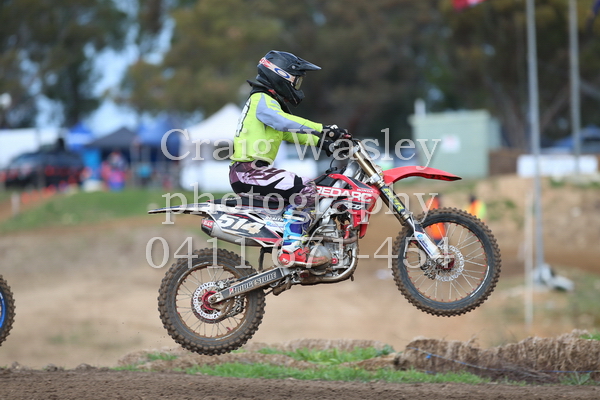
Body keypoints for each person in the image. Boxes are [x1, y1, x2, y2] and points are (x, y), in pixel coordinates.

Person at [229, 50, 347, 268]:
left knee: (308, 192)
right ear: (280, 75)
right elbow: (283, 121)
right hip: (249, 172)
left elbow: (292, 133)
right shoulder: (260, 99)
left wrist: (325, 142)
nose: (296, 86)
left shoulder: (268, 104)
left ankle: (301, 243)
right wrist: (324, 128)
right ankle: (292, 249)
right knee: (306, 189)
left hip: (251, 172)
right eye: (296, 80)